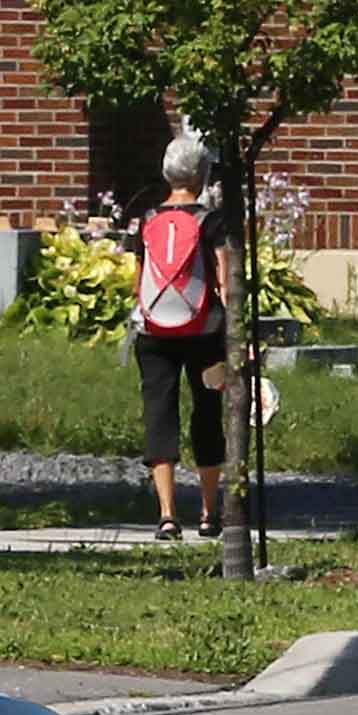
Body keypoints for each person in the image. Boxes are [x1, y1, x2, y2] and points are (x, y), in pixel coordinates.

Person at [131, 133, 229, 537]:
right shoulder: (211, 220)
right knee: (207, 413)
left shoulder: (148, 219)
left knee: (159, 413)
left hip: (154, 330)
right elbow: (224, 281)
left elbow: (137, 280)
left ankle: (167, 515)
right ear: (203, 175)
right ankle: (209, 513)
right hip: (205, 331)